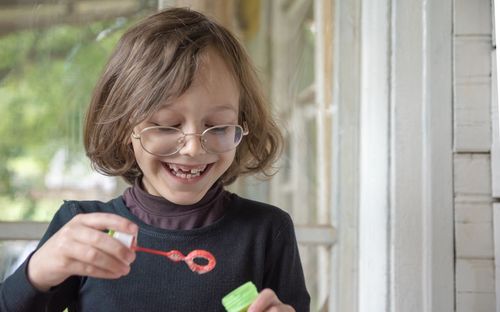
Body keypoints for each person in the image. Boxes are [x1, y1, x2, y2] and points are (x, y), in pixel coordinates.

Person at [0, 7, 310, 312]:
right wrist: (36, 273)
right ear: (124, 127)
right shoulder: (84, 229)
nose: (192, 148)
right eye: (166, 125)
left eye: (218, 126)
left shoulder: (267, 231)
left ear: (242, 126)